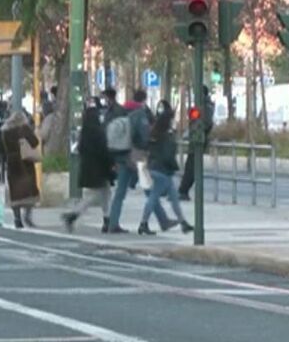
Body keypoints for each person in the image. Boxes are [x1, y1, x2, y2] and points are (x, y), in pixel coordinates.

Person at [138, 101, 195, 235]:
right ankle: (143, 223)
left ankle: (183, 223)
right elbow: (168, 155)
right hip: (162, 171)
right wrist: (174, 166)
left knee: (173, 197)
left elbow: (147, 147)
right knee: (154, 197)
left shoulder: (154, 132)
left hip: (153, 168)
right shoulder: (167, 136)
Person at [62, 98, 115, 232]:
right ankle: (73, 215)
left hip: (89, 169)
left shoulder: (84, 133)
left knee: (104, 194)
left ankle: (107, 220)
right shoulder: (98, 133)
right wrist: (111, 164)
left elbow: (80, 149)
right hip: (100, 169)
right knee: (94, 196)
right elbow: (104, 151)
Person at [1, 110, 41, 228]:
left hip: (12, 163)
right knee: (29, 190)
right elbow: (35, 142)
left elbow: (0, 148)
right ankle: (27, 216)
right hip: (25, 163)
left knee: (15, 192)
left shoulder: (4, 132)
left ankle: (17, 218)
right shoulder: (24, 129)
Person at [103, 87, 136, 234]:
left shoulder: (115, 111)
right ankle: (112, 223)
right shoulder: (116, 111)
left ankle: (112, 223)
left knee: (118, 191)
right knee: (119, 191)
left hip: (119, 153)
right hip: (122, 154)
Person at [179, 86, 213, 201]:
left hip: (198, 139)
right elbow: (193, 118)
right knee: (190, 166)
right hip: (194, 139)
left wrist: (197, 126)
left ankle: (183, 190)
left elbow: (205, 122)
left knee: (192, 167)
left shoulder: (206, 107)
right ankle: (183, 190)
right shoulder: (200, 106)